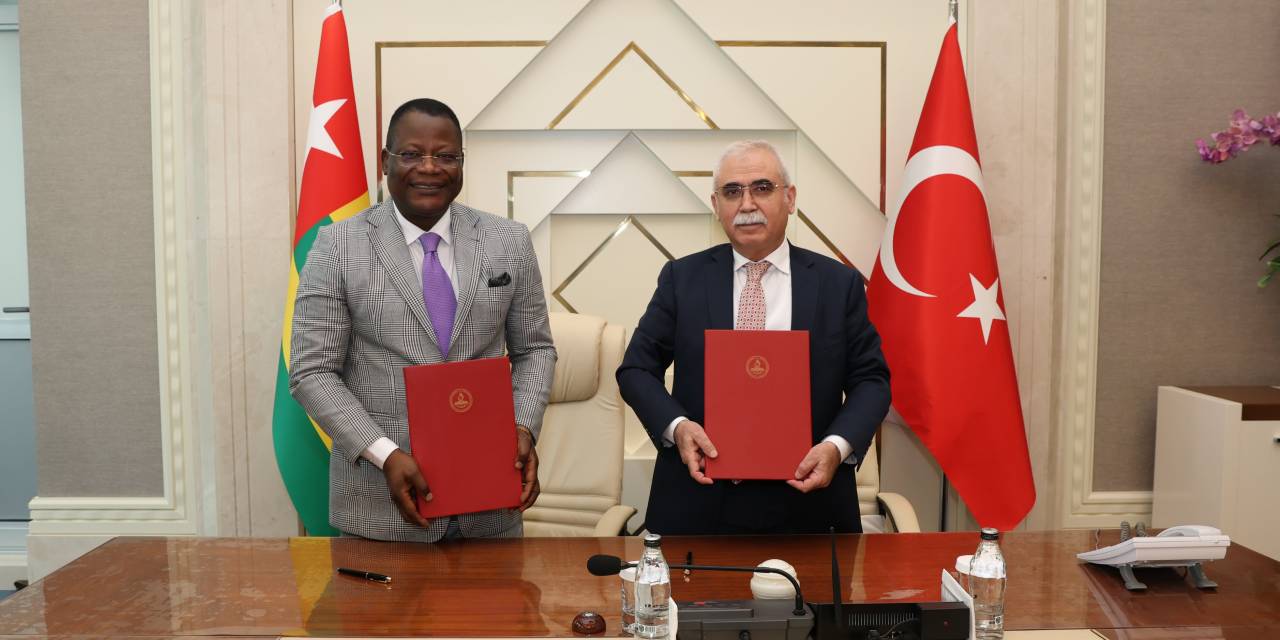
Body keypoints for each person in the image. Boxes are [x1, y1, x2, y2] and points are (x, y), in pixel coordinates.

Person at [289, 98, 556, 541]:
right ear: (385, 161)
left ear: (462, 163)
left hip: (490, 509)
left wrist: (522, 426)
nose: (430, 168)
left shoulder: (509, 240)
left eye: (446, 156)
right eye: (412, 154)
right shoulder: (337, 246)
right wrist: (384, 454)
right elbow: (311, 371)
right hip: (379, 511)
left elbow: (536, 350)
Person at [616, 140, 891, 535]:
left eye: (762, 188)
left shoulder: (838, 284)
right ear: (716, 205)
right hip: (699, 500)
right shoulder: (682, 279)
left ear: (789, 198)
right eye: (732, 192)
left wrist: (836, 446)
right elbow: (636, 370)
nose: (746, 204)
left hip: (810, 503)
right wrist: (678, 427)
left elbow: (871, 381)